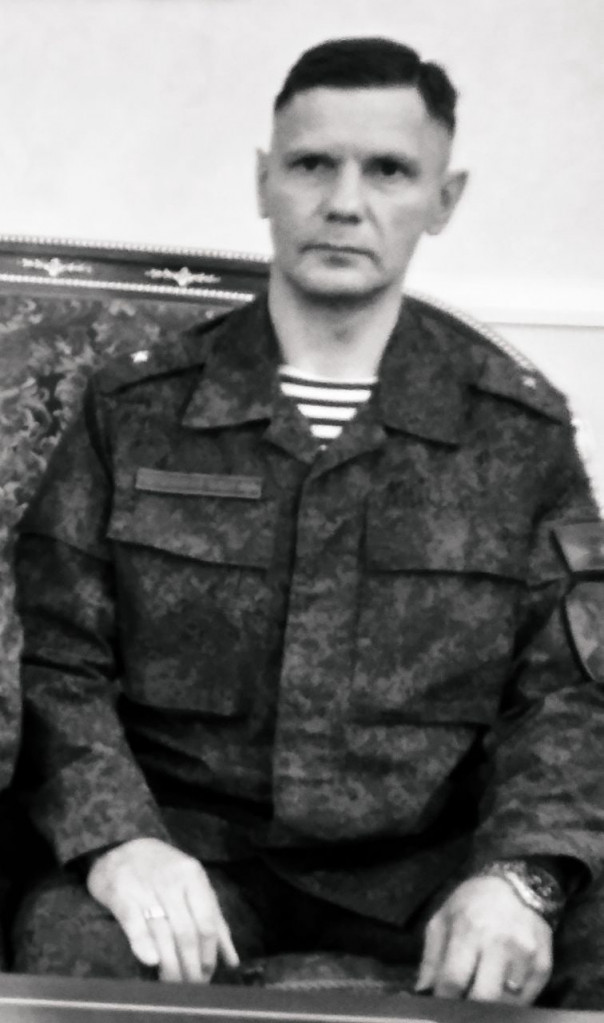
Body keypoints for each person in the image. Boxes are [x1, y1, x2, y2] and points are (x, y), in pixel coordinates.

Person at [11, 36, 604, 1008]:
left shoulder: (518, 434)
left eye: (389, 170)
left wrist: (521, 877)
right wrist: (118, 839)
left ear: (443, 198)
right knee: (74, 944)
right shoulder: (136, 411)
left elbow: (567, 694)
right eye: (312, 164)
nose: (344, 201)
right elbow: (53, 658)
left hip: (434, 864)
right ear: (265, 180)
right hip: (191, 850)